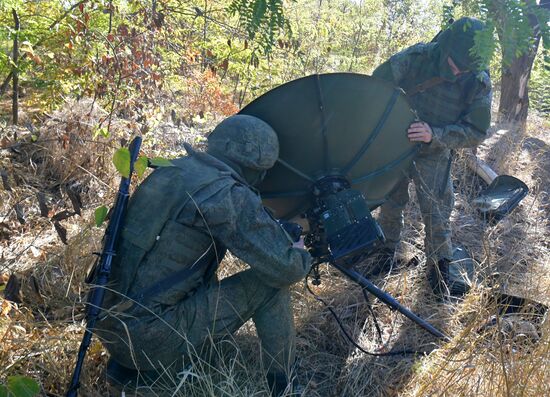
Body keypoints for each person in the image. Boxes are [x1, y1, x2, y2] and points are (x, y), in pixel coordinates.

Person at [96, 115, 311, 396]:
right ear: (257, 166)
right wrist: (300, 251)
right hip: (148, 339)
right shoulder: (228, 194)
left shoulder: (171, 169)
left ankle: (135, 368)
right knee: (271, 287)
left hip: (109, 325)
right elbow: (286, 269)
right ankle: (284, 386)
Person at [370, 17, 492, 297]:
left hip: (434, 151)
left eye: (465, 69)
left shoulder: (477, 80)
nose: (458, 72)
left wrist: (434, 134)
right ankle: (385, 253)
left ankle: (439, 270)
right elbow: (375, 87)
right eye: (453, 65)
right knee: (390, 201)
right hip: (396, 144)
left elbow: (476, 131)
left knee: (437, 213)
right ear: (445, 47)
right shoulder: (417, 58)